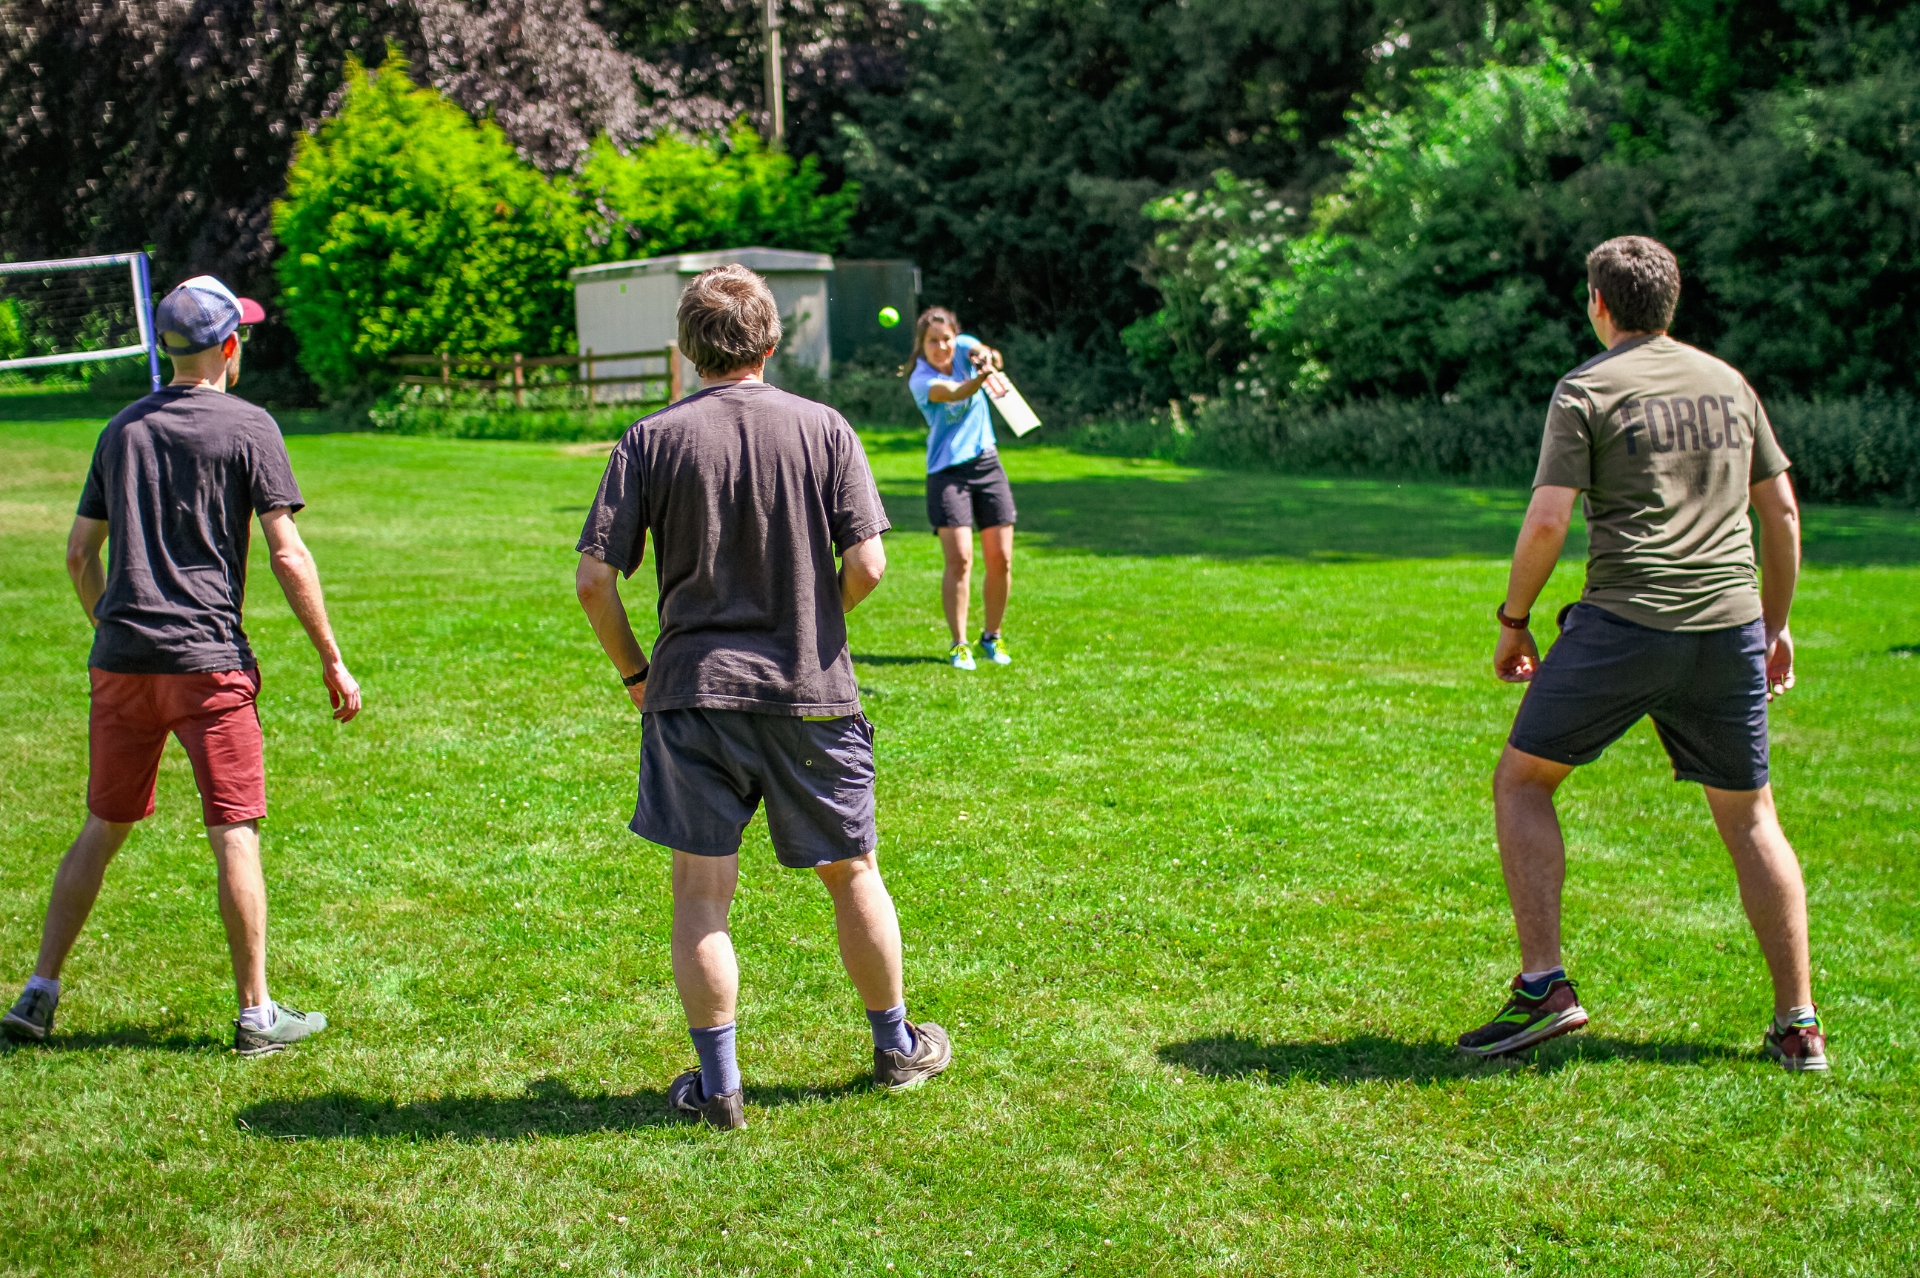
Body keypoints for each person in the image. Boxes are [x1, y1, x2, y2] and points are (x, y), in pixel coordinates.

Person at [575, 264, 952, 1130]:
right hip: (809, 691)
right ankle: (896, 1047)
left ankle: (721, 1087)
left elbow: (596, 582)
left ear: (685, 349)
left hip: (692, 695)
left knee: (701, 896)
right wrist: (817, 621)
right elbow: (870, 565)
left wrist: (639, 676)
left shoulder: (648, 439)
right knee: (852, 872)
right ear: (771, 343)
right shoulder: (824, 428)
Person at [1458, 236, 1825, 1071]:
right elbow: (1784, 517)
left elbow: (1549, 520)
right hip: (1728, 628)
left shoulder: (1587, 387)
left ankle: (1544, 987)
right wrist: (1769, 626)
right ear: (1672, 302)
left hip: (1627, 621)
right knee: (1752, 817)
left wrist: (1514, 621)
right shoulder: (1730, 384)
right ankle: (1797, 1023)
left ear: (1599, 303)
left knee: (1522, 781)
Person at [2, 275, 362, 1056]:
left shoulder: (120, 430)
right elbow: (287, 553)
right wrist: (331, 658)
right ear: (229, 347)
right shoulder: (249, 426)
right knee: (235, 829)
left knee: (102, 825)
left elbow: (77, 555)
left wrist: (115, 628)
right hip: (209, 664)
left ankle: (38, 991)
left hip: (122, 661)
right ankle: (257, 1013)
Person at [906, 306, 1016, 670]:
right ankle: (959, 643)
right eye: (932, 341)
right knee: (961, 560)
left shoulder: (965, 345)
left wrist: (988, 357)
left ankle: (992, 636)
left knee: (1001, 559)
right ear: (921, 346)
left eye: (946, 339)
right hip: (947, 473)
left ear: (956, 336)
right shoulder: (920, 380)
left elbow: (991, 354)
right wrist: (982, 377)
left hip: (987, 464)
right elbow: (955, 393)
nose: (942, 347)